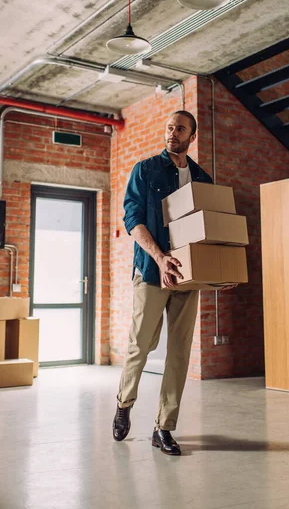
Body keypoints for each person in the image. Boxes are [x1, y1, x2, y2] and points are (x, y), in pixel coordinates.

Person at [113, 110, 212, 455]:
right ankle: (124, 402)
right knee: (141, 345)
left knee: (180, 353)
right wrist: (159, 257)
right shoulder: (146, 169)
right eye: (170, 127)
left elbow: (208, 230)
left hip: (188, 277)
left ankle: (164, 428)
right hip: (153, 271)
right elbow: (133, 217)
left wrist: (217, 274)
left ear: (191, 136)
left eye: (180, 128)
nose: (173, 133)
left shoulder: (202, 178)